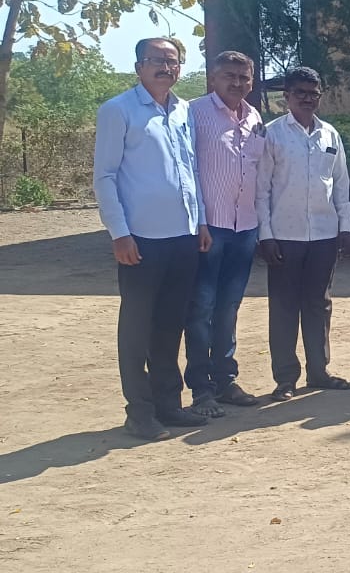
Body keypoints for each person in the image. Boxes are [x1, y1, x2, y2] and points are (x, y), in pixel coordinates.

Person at [95, 37, 212, 440]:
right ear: (139, 66)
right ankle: (139, 412)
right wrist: (119, 233)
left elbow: (189, 171)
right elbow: (105, 176)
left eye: (173, 61)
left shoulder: (183, 110)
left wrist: (200, 222)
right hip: (140, 241)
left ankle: (168, 404)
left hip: (182, 236)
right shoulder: (118, 110)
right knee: (136, 329)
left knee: (170, 326)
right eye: (157, 61)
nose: (166, 68)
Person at [255, 66, 350, 401]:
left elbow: (341, 184)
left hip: (324, 233)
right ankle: (285, 378)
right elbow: (262, 189)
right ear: (287, 97)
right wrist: (265, 235)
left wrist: (344, 226)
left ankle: (319, 371)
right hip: (284, 235)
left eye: (314, 93)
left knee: (319, 304)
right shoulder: (272, 134)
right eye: (301, 93)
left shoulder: (330, 135)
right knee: (284, 307)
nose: (308, 99)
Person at [184, 50, 265, 418]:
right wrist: (199, 221)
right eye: (229, 76)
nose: (237, 83)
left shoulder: (255, 117)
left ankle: (225, 379)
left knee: (229, 308)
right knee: (200, 308)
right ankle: (201, 388)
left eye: (244, 77)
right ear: (213, 78)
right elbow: (187, 173)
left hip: (244, 226)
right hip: (209, 226)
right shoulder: (194, 114)